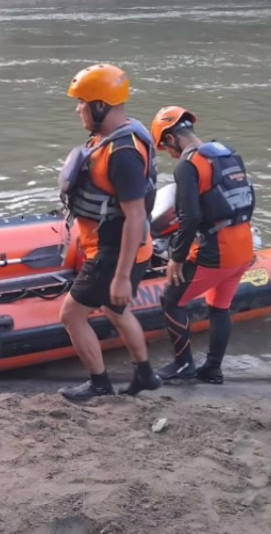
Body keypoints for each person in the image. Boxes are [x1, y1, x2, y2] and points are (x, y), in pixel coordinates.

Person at [55, 64, 163, 401]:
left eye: (83, 103)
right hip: (121, 248)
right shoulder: (111, 137)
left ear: (101, 105)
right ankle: (145, 374)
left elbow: (135, 217)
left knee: (71, 316)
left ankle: (99, 384)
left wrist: (119, 277)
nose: (78, 109)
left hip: (114, 251)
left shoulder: (124, 154)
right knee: (116, 311)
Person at [149, 106, 256, 384]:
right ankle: (213, 369)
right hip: (243, 245)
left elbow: (190, 217)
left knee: (171, 301)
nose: (169, 153)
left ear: (172, 138)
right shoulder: (228, 153)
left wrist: (177, 257)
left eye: (166, 146)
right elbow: (246, 197)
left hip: (217, 251)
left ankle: (184, 365)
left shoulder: (188, 165)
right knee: (220, 307)